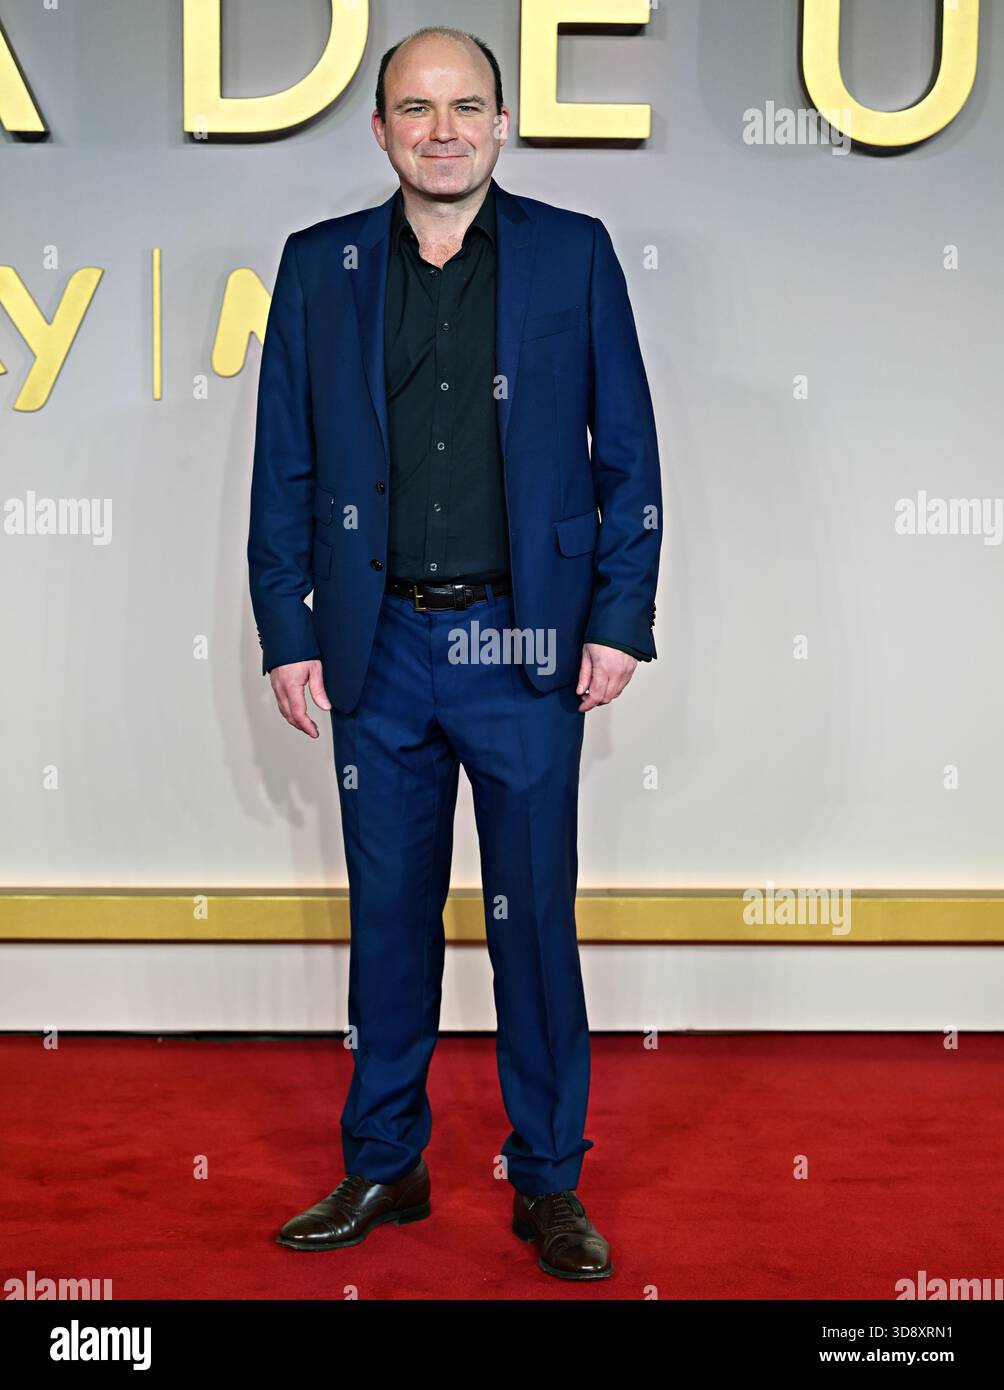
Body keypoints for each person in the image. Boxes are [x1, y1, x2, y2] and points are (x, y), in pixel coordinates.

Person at [247, 25, 661, 1282]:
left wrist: (613, 614)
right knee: (386, 919)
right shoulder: (320, 267)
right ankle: (386, 1159)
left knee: (532, 918)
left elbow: (627, 454)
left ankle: (546, 1184)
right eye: (414, 108)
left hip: (523, 644)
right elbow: (285, 466)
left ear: (500, 123)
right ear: (378, 130)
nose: (441, 128)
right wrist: (288, 629)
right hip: (375, 651)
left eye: (464, 105)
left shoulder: (571, 255)